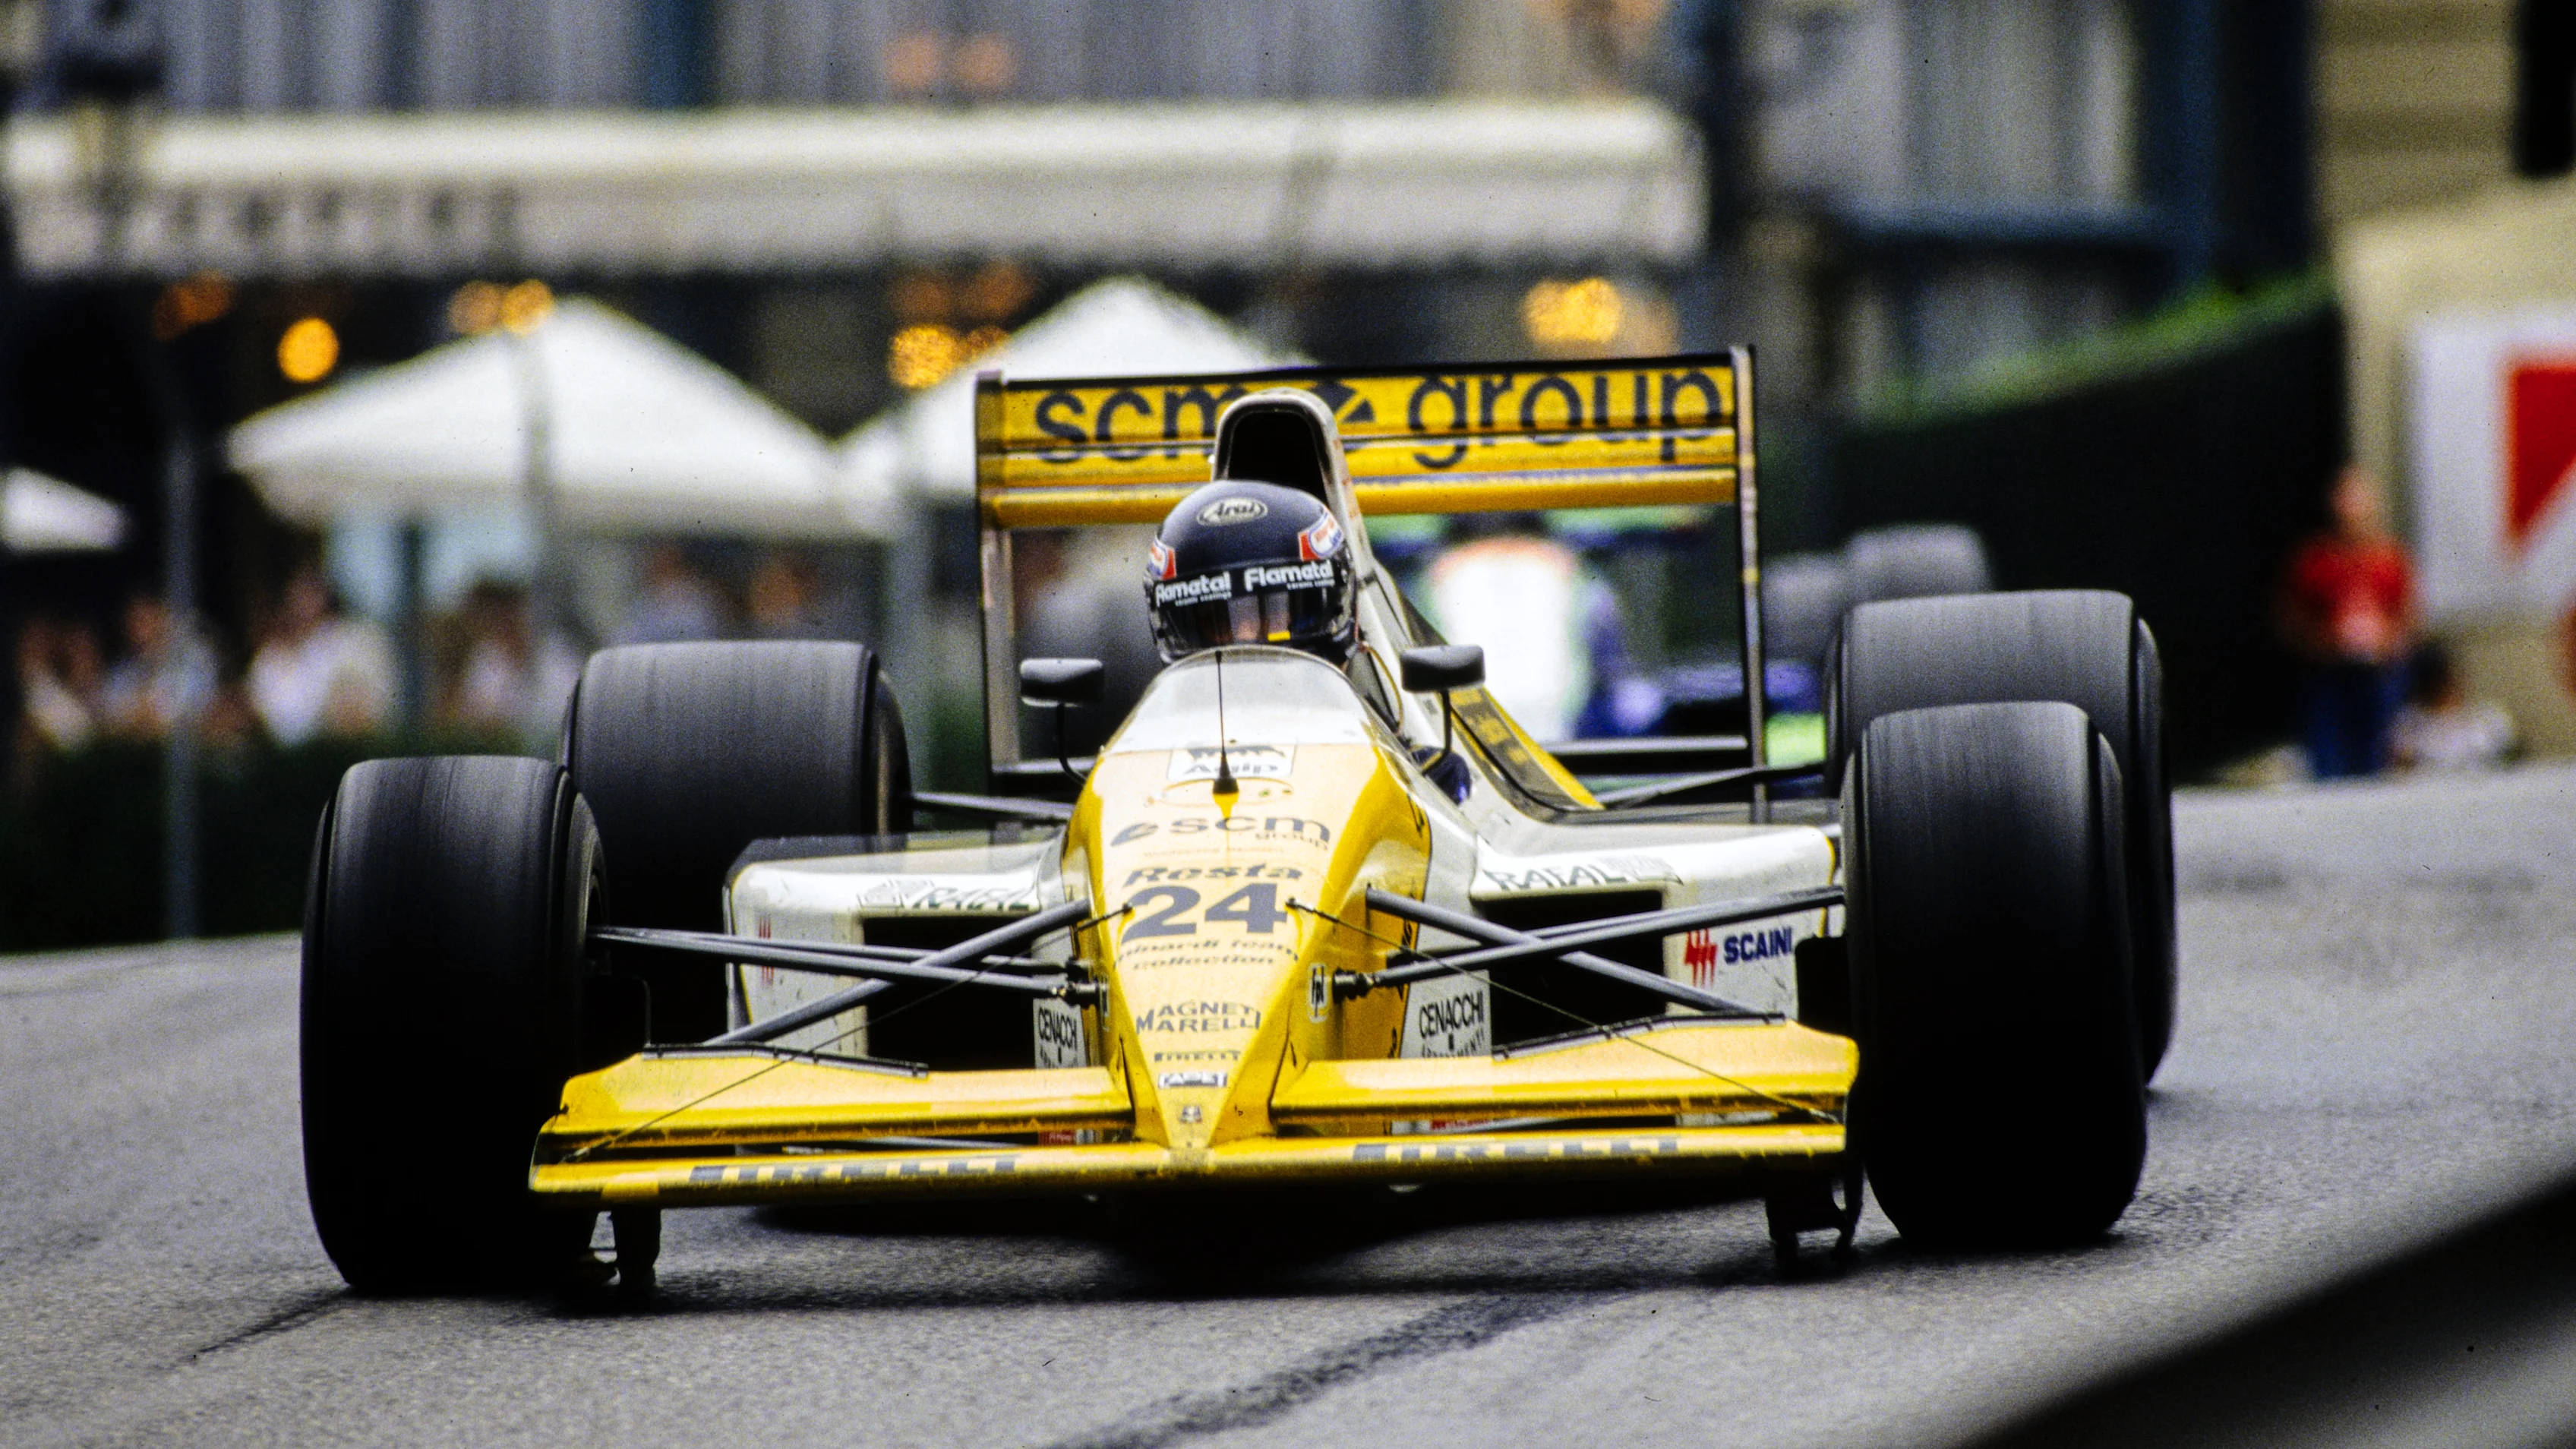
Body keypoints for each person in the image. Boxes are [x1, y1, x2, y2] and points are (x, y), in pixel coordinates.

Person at [2278, 466, 2417, 778]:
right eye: (2346, 501)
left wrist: (2388, 643)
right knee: (2330, 762)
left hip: (2377, 674)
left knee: (2376, 759)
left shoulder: (2389, 559)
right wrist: (2323, 643)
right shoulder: (2315, 559)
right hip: (2329, 674)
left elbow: (2409, 619)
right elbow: (2289, 618)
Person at [248, 566, 396, 745]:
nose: (303, 605)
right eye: (298, 596)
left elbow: (364, 709)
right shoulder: (272, 657)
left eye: (310, 595)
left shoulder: (356, 640)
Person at [99, 592, 217, 740]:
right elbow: (109, 719)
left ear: (162, 617)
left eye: (143, 620)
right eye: (132, 623)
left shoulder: (194, 659)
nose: (137, 631)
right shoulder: (122, 670)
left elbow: (195, 715)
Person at [2388, 642, 2515, 772]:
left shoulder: (2489, 717)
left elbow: (2512, 765)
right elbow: (2399, 772)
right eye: (2435, 684)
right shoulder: (2408, 725)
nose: (2444, 689)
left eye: (2447, 681)